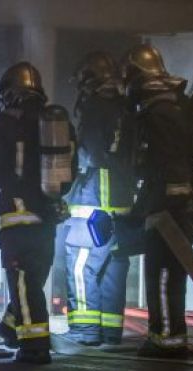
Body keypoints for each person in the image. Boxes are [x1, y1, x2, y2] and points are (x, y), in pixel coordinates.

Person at [0, 62, 74, 364]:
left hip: (16, 217)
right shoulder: (56, 122)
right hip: (47, 216)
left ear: (10, 93)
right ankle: (10, 326)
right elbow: (72, 167)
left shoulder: (8, 121)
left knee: (22, 282)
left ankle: (34, 347)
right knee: (33, 280)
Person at [120, 44, 193, 358]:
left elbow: (166, 164)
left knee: (163, 273)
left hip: (168, 210)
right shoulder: (171, 107)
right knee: (167, 273)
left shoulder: (159, 113)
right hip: (172, 206)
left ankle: (166, 338)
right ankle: (167, 334)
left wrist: (156, 202)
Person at [63, 52, 137, 346]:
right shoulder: (128, 108)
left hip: (93, 201)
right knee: (114, 267)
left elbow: (91, 153)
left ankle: (84, 331)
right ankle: (110, 331)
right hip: (122, 204)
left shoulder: (94, 107)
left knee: (82, 265)